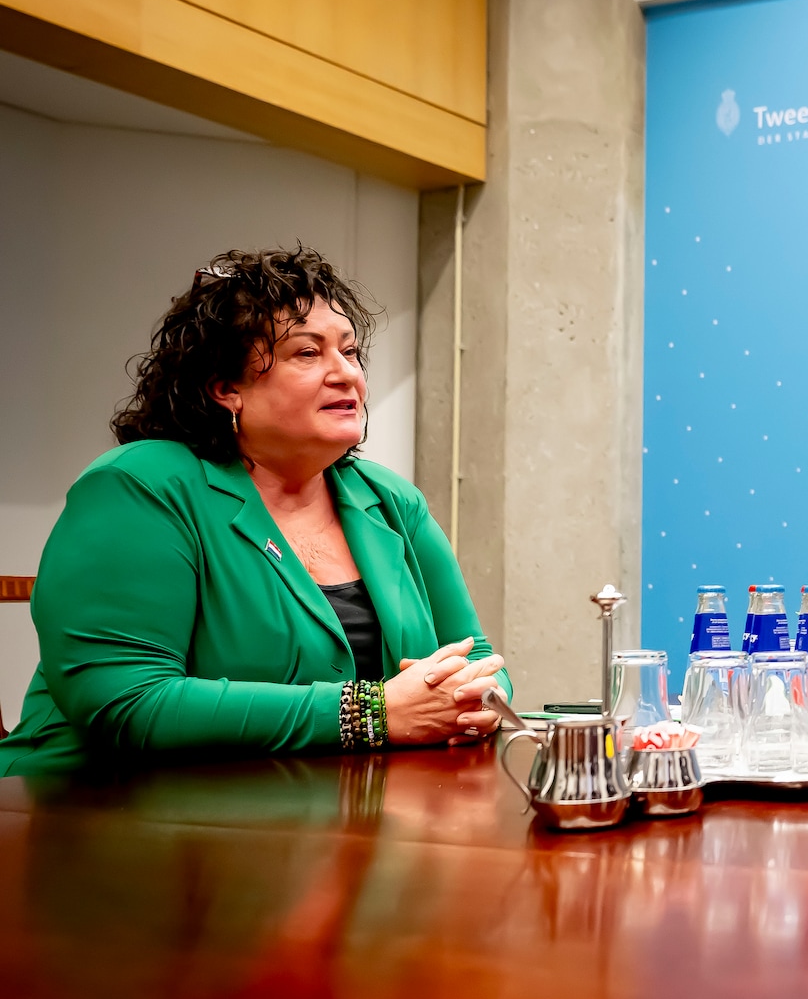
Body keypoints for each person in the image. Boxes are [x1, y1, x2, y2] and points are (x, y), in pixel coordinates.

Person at [2, 247, 509, 775]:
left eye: (351, 352)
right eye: (307, 354)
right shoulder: (141, 486)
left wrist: (475, 701)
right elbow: (127, 702)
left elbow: (476, 655)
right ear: (226, 389)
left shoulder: (389, 499)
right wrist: (369, 714)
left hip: (330, 816)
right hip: (96, 816)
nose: (347, 375)